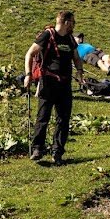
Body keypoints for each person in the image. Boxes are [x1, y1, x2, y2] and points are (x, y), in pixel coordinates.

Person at [23, 11, 86, 164]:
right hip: (48, 82)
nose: (74, 25)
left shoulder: (70, 39)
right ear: (66, 22)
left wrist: (79, 72)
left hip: (64, 84)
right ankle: (38, 148)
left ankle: (57, 152)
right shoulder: (47, 35)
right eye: (72, 22)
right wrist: (28, 74)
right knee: (43, 116)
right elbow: (30, 53)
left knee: (63, 119)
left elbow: (76, 57)